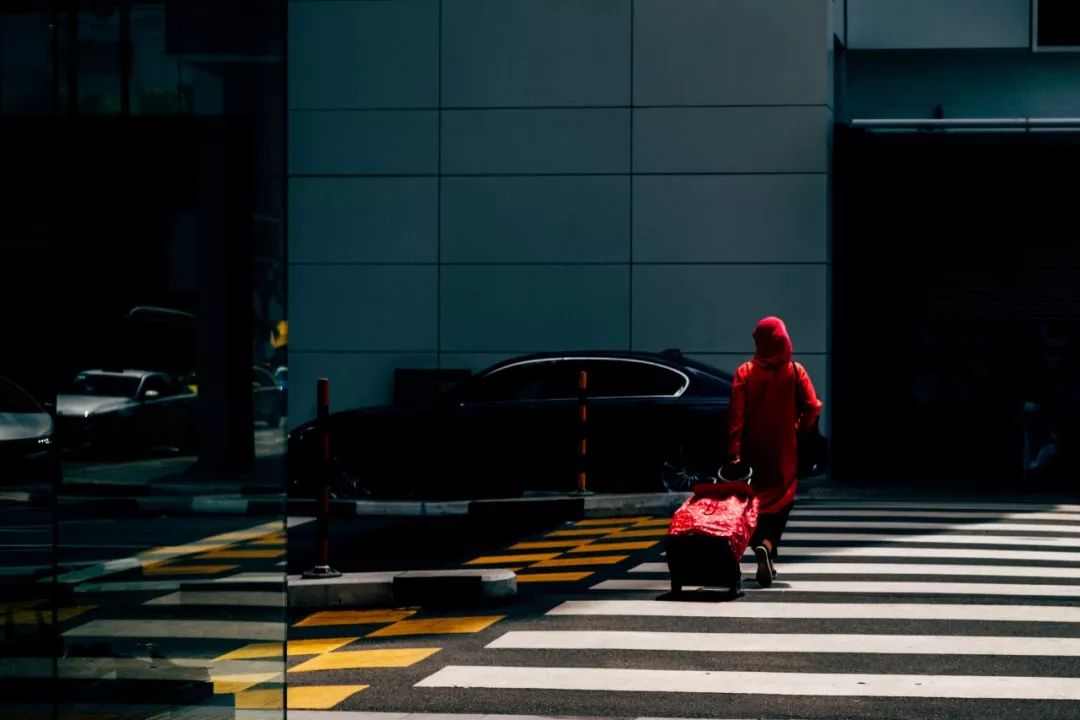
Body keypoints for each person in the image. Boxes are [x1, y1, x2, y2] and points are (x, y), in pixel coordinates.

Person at [727, 316, 822, 587]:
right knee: (783, 501)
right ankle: (767, 547)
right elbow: (813, 406)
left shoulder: (745, 373)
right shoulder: (795, 371)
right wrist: (800, 428)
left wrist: (734, 452)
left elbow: (736, 419)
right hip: (784, 451)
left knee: (752, 504)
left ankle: (761, 546)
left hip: (752, 452)